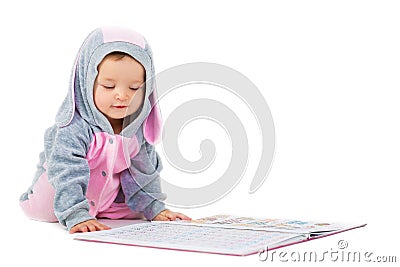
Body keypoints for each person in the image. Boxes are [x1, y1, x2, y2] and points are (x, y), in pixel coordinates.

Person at [19, 27, 191, 234]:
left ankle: (103, 209)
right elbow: (66, 172)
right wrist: (76, 214)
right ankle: (74, 210)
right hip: (56, 198)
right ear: (86, 83)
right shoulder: (74, 128)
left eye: (135, 88)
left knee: (138, 206)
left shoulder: (136, 129)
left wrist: (155, 208)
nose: (122, 96)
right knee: (53, 195)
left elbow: (143, 173)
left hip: (104, 201)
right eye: (109, 86)